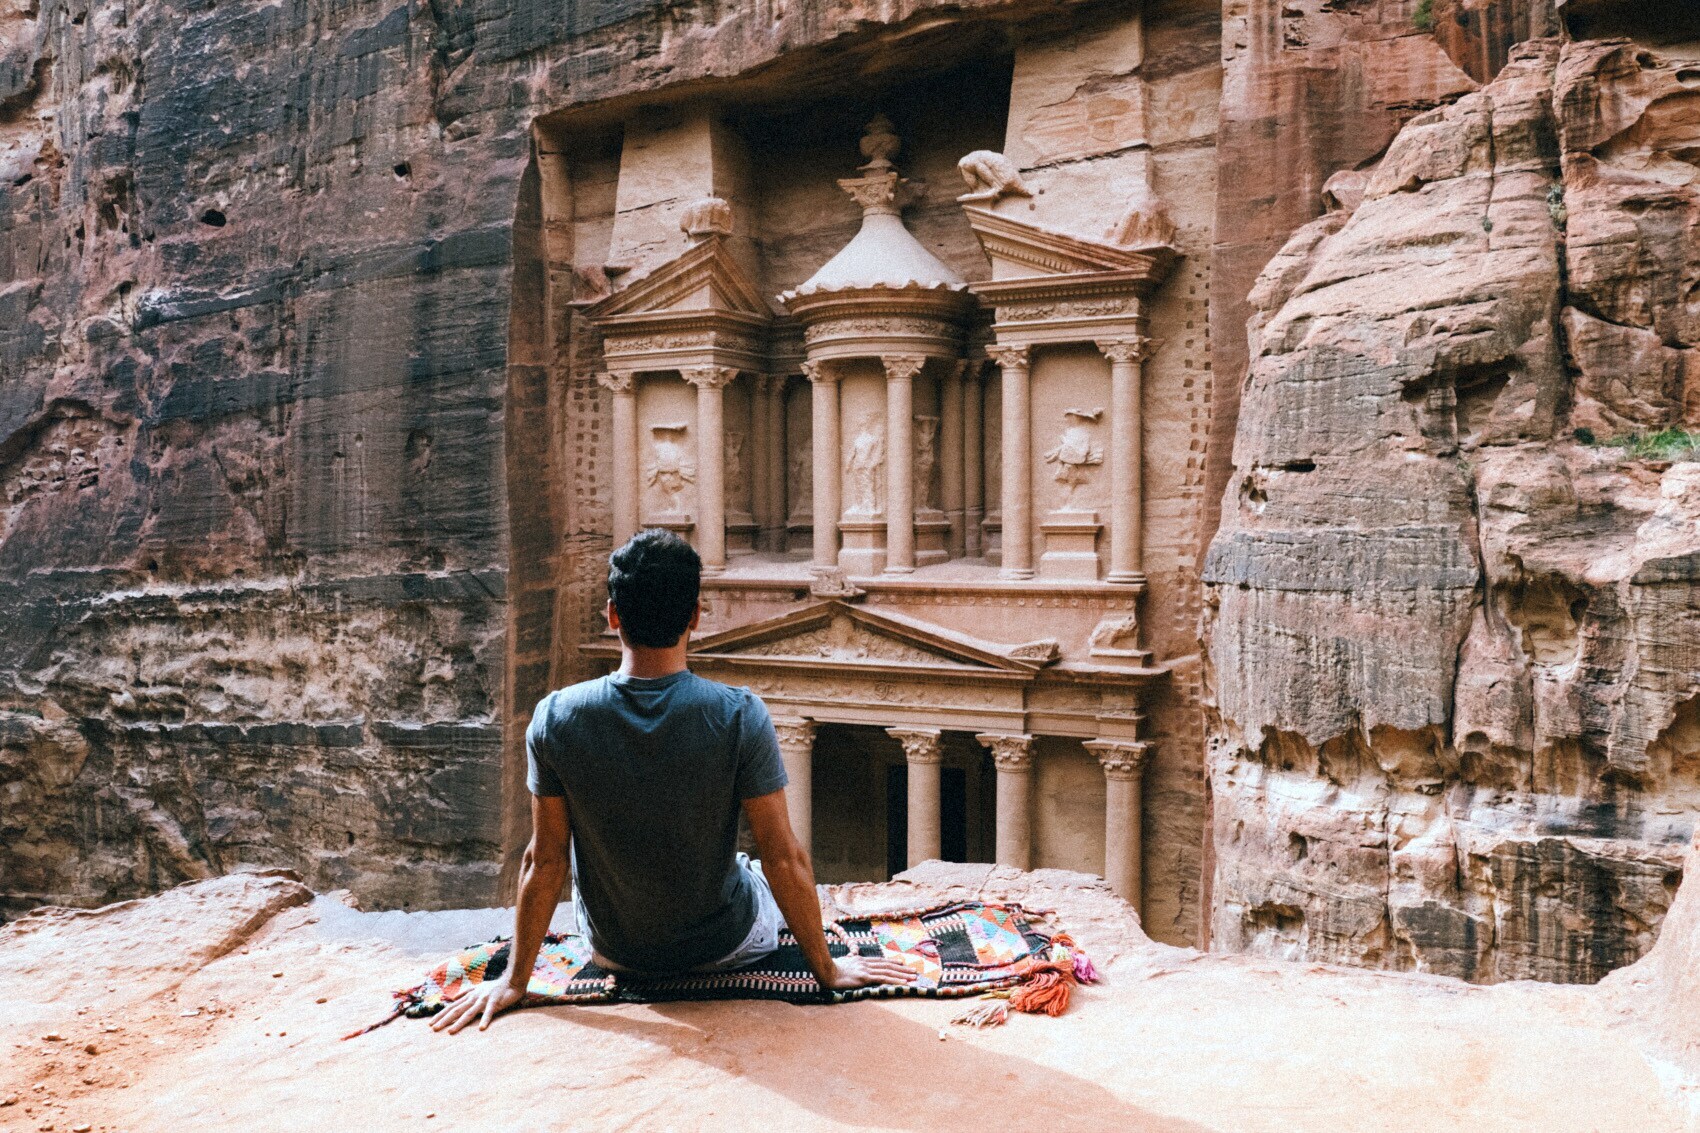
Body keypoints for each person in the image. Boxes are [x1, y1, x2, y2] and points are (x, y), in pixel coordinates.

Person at [433, 529, 916, 1033]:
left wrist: (515, 979)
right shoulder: (739, 715)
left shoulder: (556, 717)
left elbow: (546, 858)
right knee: (752, 869)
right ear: (695, 616)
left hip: (615, 952)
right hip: (723, 947)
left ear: (613, 615)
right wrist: (829, 969)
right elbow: (784, 855)